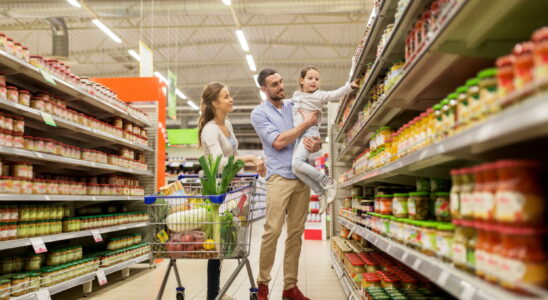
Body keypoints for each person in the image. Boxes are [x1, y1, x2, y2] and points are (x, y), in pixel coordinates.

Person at [251, 68, 321, 300]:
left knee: (295, 233)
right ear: (264, 89)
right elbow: (279, 142)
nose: (281, 87)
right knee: (272, 231)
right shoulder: (259, 113)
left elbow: (311, 136)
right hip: (279, 177)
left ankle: (290, 286)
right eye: (274, 84)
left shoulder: (295, 105)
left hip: (301, 179)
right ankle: (262, 284)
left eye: (281, 82)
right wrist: (305, 124)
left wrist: (315, 144)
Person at [198, 82, 266, 300]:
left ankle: (217, 292)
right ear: (215, 103)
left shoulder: (227, 123)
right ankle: (212, 295)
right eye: (226, 97)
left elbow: (231, 156)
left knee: (226, 240)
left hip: (229, 187)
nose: (231, 99)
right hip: (214, 189)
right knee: (216, 244)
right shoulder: (209, 129)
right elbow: (219, 163)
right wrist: (246, 159)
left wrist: (250, 162)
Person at [292, 66, 359, 213]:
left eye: (317, 79)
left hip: (310, 132)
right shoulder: (296, 95)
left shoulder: (318, 95)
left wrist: (350, 86)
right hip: (298, 134)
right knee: (295, 169)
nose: (314, 81)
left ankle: (327, 181)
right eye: (310, 78)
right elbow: (289, 105)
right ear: (301, 80)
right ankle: (320, 193)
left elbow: (334, 94)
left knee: (296, 163)